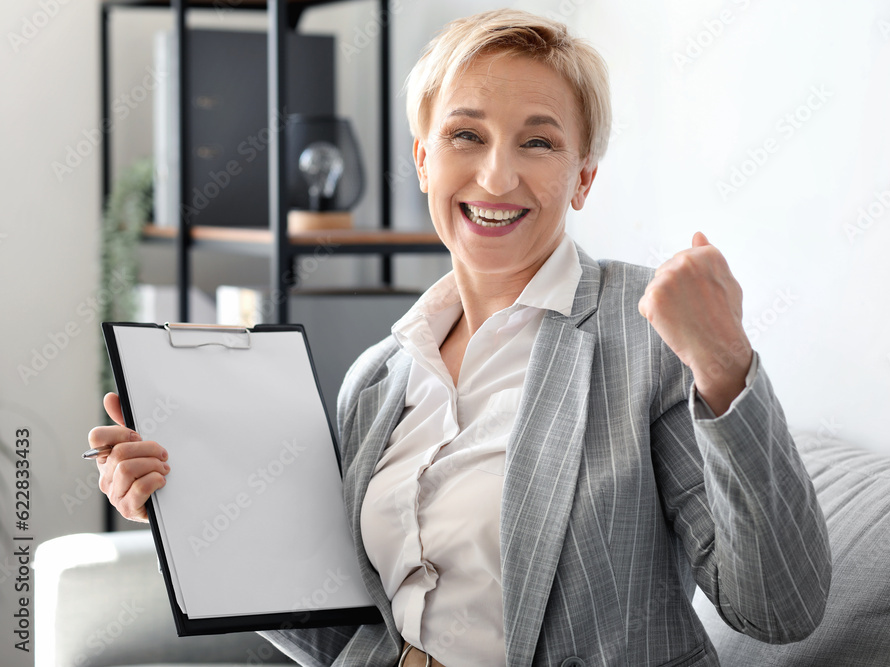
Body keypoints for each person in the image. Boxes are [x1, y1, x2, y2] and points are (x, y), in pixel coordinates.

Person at [88, 9, 831, 667]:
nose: (497, 173)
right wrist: (183, 509)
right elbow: (343, 630)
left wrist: (726, 363)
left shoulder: (647, 335)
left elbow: (780, 607)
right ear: (422, 160)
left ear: (582, 178)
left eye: (538, 142)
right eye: (465, 135)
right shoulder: (378, 377)